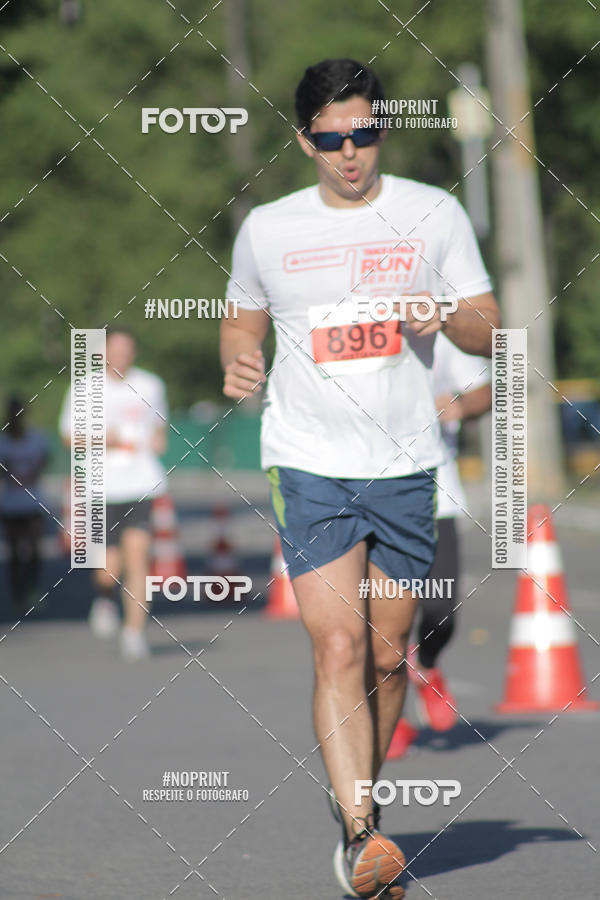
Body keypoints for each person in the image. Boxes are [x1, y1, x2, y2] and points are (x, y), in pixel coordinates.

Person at [220, 58, 500, 899]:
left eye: (366, 134)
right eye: (334, 139)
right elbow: (242, 312)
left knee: (385, 659)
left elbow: (489, 329)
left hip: (406, 462)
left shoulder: (432, 212)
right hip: (307, 461)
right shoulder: (269, 227)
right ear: (305, 139)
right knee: (336, 645)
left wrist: (444, 314)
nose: (352, 154)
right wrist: (239, 356)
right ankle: (363, 833)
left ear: (382, 129)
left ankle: (362, 809)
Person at [387, 334, 492, 758]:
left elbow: (485, 390)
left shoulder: (436, 332)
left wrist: (461, 405)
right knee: (377, 619)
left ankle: (427, 665)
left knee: (440, 610)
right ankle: (387, 716)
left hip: (436, 495)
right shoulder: (346, 331)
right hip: (365, 498)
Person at [59, 328, 168, 661]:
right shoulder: (85, 387)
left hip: (141, 485)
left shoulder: (150, 385)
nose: (120, 356)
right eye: (114, 350)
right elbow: (68, 437)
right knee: (108, 568)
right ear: (103, 353)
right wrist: (104, 440)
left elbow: (159, 426)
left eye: (126, 349)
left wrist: (157, 440)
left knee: (139, 558)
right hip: (101, 487)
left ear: (133, 352)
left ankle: (134, 632)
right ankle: (105, 597)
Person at [0, 397, 50, 613]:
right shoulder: (3, 441)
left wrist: (32, 473)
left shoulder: (37, 438)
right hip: (10, 506)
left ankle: (32, 589)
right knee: (14, 553)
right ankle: (18, 593)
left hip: (34, 503)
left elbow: (45, 459)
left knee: (34, 551)